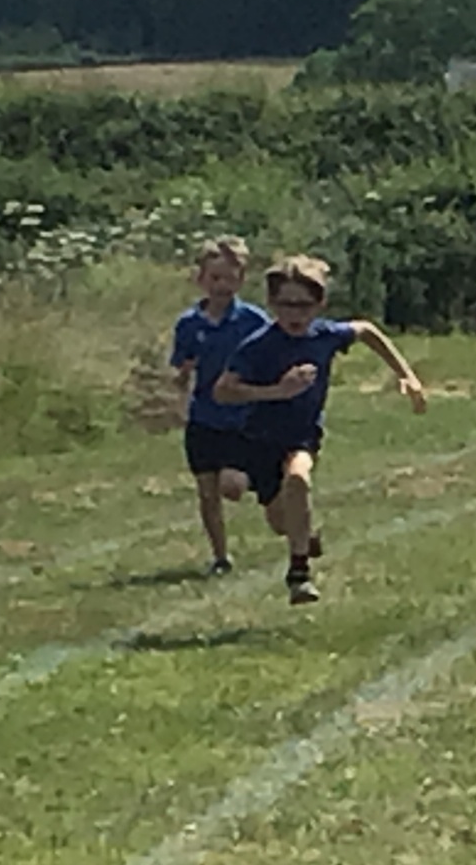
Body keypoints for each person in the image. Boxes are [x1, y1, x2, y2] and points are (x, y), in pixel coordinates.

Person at [215, 255, 427, 605]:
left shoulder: (325, 336)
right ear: (272, 304)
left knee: (299, 479)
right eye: (286, 305)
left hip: (301, 435)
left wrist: (407, 376)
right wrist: (277, 391)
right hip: (257, 438)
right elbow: (223, 391)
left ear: (320, 304)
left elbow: (367, 331)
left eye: (304, 305)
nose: (295, 314)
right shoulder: (258, 346)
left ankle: (299, 574)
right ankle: (305, 536)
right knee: (273, 516)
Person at [169, 237, 270, 576]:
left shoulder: (253, 320)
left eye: (230, 278)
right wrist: (179, 379)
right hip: (204, 417)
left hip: (242, 417)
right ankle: (221, 557)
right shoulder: (189, 324)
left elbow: (273, 355)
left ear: (241, 280)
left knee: (232, 487)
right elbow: (182, 366)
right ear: (200, 279)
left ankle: (268, 482)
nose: (222, 286)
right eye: (215, 278)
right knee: (207, 492)